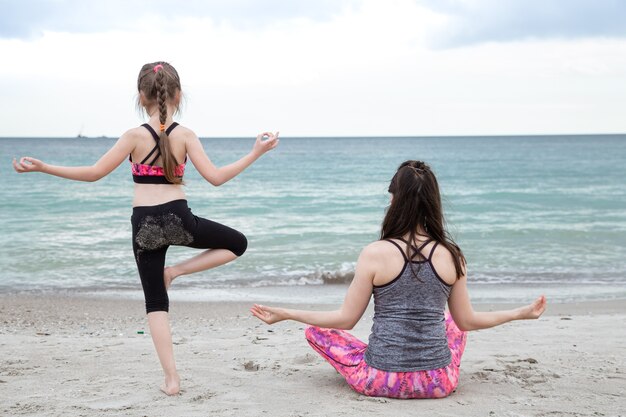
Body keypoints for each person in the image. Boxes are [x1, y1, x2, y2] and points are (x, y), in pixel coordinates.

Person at [13, 61, 279, 396]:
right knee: (237, 243)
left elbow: (94, 173)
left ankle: (171, 380)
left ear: (141, 96)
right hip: (179, 219)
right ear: (179, 94)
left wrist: (44, 167)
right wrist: (256, 152)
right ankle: (176, 272)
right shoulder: (185, 134)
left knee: (156, 303)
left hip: (145, 226)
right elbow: (216, 178)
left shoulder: (133, 137)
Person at [251, 160, 546, 399]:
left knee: (317, 331)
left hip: (379, 379)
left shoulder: (375, 253)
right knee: (455, 321)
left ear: (395, 199)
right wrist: (520, 313)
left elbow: (345, 319)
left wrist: (286, 313)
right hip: (438, 382)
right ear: (433, 202)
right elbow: (468, 321)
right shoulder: (452, 255)